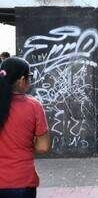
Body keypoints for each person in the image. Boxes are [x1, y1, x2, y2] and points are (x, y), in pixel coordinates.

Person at [0, 57, 50, 198]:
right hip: (21, 180)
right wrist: (25, 143)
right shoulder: (33, 106)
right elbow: (43, 147)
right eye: (29, 77)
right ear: (22, 80)